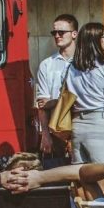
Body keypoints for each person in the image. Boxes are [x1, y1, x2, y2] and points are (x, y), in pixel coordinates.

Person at [67, 22, 104, 198]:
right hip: (101, 123)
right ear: (96, 41)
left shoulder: (72, 67)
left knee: (81, 179)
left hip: (77, 125)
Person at [36, 14, 79, 165]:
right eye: (54, 33)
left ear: (74, 34)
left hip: (80, 128)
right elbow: (41, 104)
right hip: (56, 131)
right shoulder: (47, 65)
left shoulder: (83, 62)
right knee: (56, 175)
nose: (57, 36)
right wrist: (45, 135)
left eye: (62, 32)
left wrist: (53, 102)